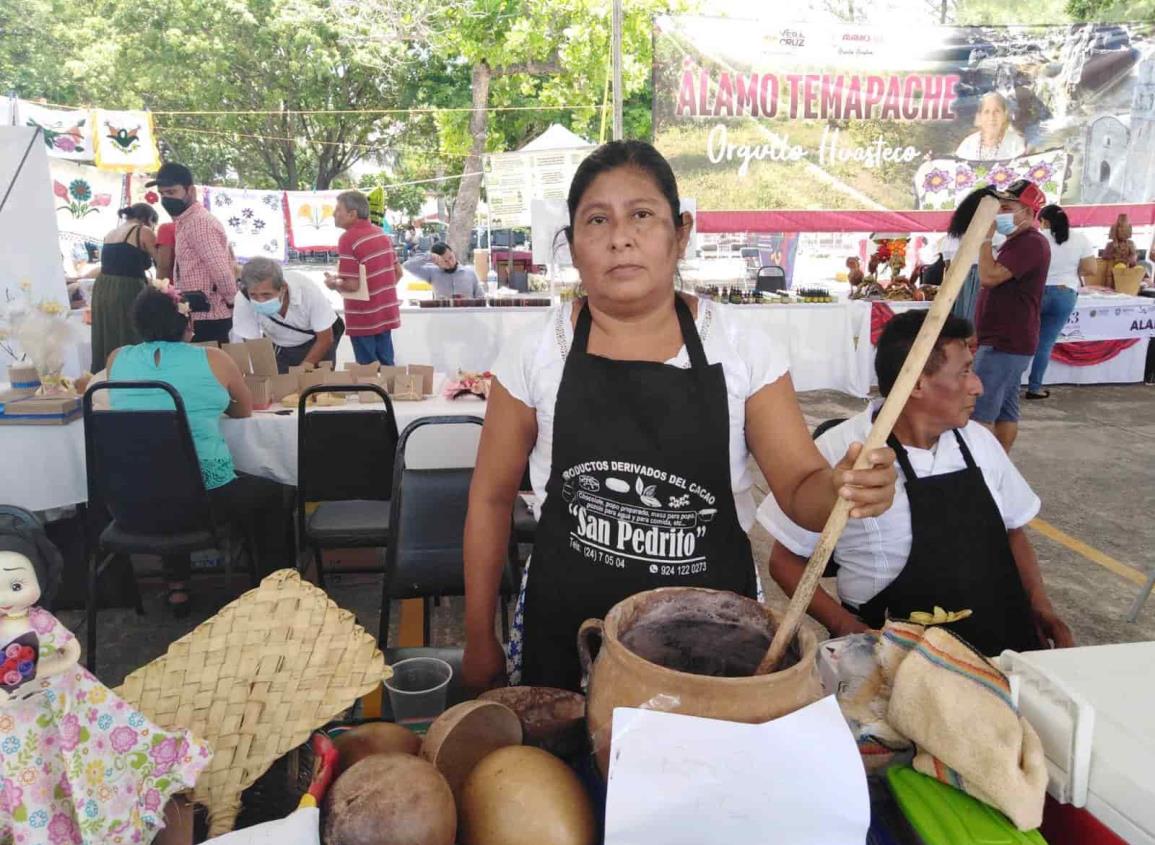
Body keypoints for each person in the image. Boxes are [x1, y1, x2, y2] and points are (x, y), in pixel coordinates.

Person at [461, 140, 898, 692]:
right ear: (573, 245)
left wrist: (842, 490)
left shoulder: (741, 347)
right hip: (568, 629)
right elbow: (490, 498)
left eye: (642, 215)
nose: (620, 236)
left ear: (681, 234)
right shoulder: (535, 352)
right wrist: (480, 637)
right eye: (598, 220)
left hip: (713, 636)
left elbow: (801, 488)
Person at [762, 310, 1073, 655]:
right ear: (918, 382)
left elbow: (1013, 531)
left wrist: (1040, 606)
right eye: (965, 371)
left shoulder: (978, 442)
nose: (978, 386)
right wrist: (845, 627)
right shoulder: (842, 451)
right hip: (898, 654)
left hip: (1001, 644)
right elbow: (785, 561)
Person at [106, 287, 292, 616]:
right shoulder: (214, 359)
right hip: (204, 501)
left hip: (133, 501)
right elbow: (243, 411)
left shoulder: (117, 358)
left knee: (163, 465)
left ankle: (177, 586)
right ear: (186, 323)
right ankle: (275, 589)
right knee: (275, 493)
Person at [973, 179, 1049, 453]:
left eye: (1007, 207)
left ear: (1028, 213)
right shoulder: (1018, 242)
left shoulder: (1029, 243)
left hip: (1005, 340)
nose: (999, 214)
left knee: (979, 409)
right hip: (1007, 338)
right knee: (1005, 408)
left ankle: (982, 469)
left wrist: (984, 238)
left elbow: (989, 276)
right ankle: (1000, 465)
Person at [147, 162, 238, 344]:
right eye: (162, 194)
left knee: (211, 370)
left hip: (211, 316)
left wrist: (232, 302)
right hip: (197, 315)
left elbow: (220, 270)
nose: (166, 199)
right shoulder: (184, 221)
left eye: (172, 192)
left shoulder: (199, 223)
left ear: (191, 191)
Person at [324, 190, 402, 366]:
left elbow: (352, 285)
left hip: (363, 316)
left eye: (338, 210)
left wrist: (333, 283)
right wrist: (380, 294)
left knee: (368, 370)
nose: (333, 214)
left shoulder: (348, 238)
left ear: (352, 214)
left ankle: (375, 394)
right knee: (387, 365)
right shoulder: (380, 233)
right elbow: (398, 272)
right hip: (385, 313)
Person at [1026, 205, 1095, 399]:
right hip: (1065, 293)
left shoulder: (1036, 238)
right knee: (1045, 344)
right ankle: (1034, 387)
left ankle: (1011, 385)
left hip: (1035, 292)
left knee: (1022, 338)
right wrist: (1071, 272)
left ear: (1044, 222)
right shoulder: (1080, 239)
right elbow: (1091, 268)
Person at [232, 257, 343, 372]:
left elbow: (325, 339)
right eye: (254, 295)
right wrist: (264, 376)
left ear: (283, 288)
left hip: (316, 341)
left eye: (267, 295)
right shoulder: (243, 299)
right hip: (280, 344)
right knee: (280, 383)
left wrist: (303, 369)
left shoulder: (307, 291)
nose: (260, 301)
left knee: (315, 384)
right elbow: (253, 343)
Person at [90, 203, 158, 371]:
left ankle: (109, 371)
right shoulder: (143, 231)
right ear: (148, 219)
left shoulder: (111, 233)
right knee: (131, 329)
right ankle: (134, 371)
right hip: (127, 288)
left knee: (109, 331)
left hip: (103, 287)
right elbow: (161, 262)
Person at [938, 186, 997, 326]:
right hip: (982, 281)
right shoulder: (994, 234)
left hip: (957, 284)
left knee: (962, 325)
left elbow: (948, 268)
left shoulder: (951, 237)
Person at [955, 91, 1027, 160]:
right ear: (980, 116)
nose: (992, 117)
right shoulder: (968, 144)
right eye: (987, 112)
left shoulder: (1016, 143)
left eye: (997, 111)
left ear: (1004, 115)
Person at [404, 242, 485, 298]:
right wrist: (430, 257)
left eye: (450, 257)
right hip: (441, 318)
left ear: (453, 253)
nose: (450, 263)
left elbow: (481, 297)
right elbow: (407, 266)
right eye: (445, 261)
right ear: (437, 263)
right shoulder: (432, 273)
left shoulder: (470, 273)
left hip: (468, 318)